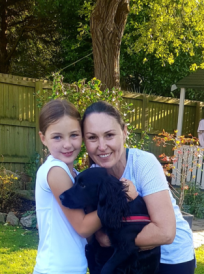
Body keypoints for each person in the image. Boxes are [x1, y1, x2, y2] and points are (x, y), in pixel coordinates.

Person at [81, 101, 195, 274]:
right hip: (130, 259)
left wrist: (110, 240)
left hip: (170, 258)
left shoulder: (143, 163)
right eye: (92, 137)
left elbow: (165, 233)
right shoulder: (93, 176)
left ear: (124, 132)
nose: (102, 146)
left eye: (109, 135)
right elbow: (92, 230)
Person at [33, 99, 137, 274]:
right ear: (43, 138)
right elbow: (83, 227)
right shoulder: (56, 171)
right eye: (57, 137)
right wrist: (122, 196)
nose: (67, 144)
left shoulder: (72, 173)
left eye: (74, 135)